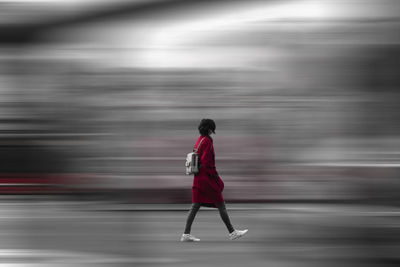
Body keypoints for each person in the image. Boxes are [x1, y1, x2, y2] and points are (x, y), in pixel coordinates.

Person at [181, 118, 248, 242]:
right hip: (207, 180)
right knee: (221, 205)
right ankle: (232, 232)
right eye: (212, 129)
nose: (212, 132)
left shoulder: (199, 140)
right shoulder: (207, 141)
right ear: (210, 129)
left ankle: (186, 234)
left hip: (198, 179)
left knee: (195, 206)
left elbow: (199, 160)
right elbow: (207, 163)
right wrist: (217, 177)